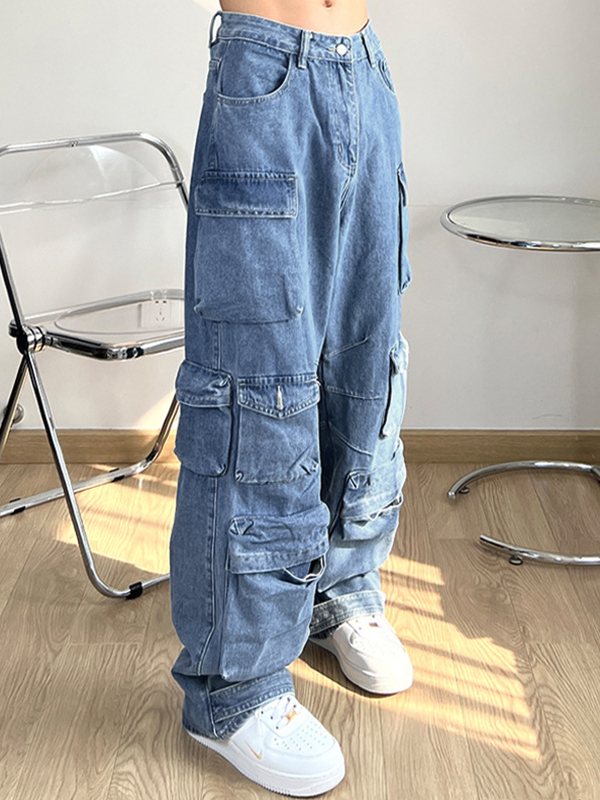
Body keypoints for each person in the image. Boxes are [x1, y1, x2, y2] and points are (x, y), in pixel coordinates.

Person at [169, 0, 413, 795]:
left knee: (366, 357)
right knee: (257, 384)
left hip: (365, 68)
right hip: (264, 73)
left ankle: (339, 590)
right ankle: (233, 688)